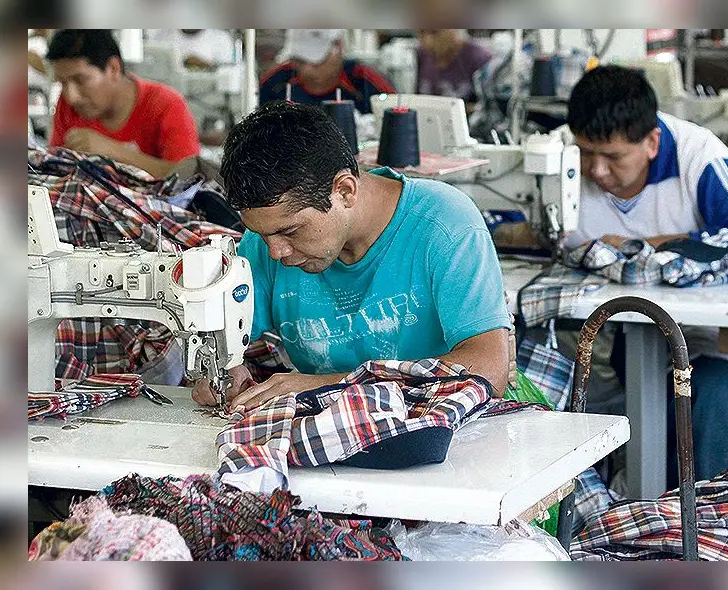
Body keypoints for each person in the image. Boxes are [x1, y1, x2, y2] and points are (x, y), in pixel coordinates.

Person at [191, 101, 511, 411]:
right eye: (261, 233)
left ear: (345, 191)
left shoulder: (444, 224)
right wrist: (222, 371)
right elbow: (223, 340)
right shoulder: (266, 240)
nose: (276, 252)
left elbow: (487, 369)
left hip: (455, 429)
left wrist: (329, 385)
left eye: (291, 232)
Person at [562, 65, 728, 484]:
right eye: (586, 153)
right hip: (607, 341)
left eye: (613, 157)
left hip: (701, 338)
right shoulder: (559, 157)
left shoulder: (698, 155)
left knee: (711, 389)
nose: (596, 171)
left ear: (653, 141)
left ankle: (692, 528)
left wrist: (643, 246)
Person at [46, 29, 200, 178]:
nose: (71, 97)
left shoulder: (167, 105)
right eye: (62, 83)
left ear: (113, 68)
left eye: (80, 80)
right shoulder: (68, 106)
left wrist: (111, 151)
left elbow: (190, 178)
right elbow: (53, 170)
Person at [259, 29, 395, 114]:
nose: (307, 69)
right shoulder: (274, 83)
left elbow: (397, 119)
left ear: (339, 47)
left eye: (316, 60)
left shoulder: (367, 83)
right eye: (299, 60)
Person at [417, 29, 492, 111]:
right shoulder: (420, 56)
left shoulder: (479, 59)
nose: (428, 42)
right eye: (421, 33)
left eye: (435, 32)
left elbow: (489, 109)